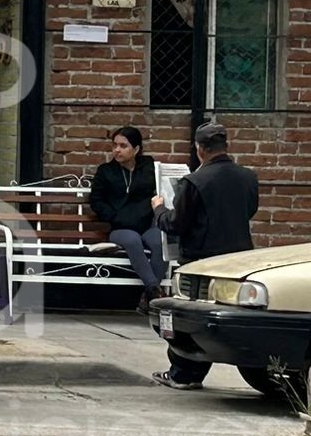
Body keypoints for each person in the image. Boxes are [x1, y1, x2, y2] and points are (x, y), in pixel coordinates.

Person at [148, 121, 259, 390]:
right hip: (239, 259)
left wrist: (159, 209)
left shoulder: (195, 181)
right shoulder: (248, 176)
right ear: (225, 146)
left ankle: (184, 373)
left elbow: (176, 223)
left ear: (199, 149)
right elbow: (250, 211)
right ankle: (188, 372)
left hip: (201, 262)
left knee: (186, 318)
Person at [89, 126, 164, 308]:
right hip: (121, 228)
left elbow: (160, 188)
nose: (117, 150)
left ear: (136, 149)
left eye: (123, 146)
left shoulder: (147, 168)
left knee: (160, 241)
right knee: (132, 240)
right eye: (115, 145)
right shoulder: (106, 171)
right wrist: (115, 216)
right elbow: (96, 200)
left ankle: (149, 295)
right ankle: (154, 291)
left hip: (146, 225)